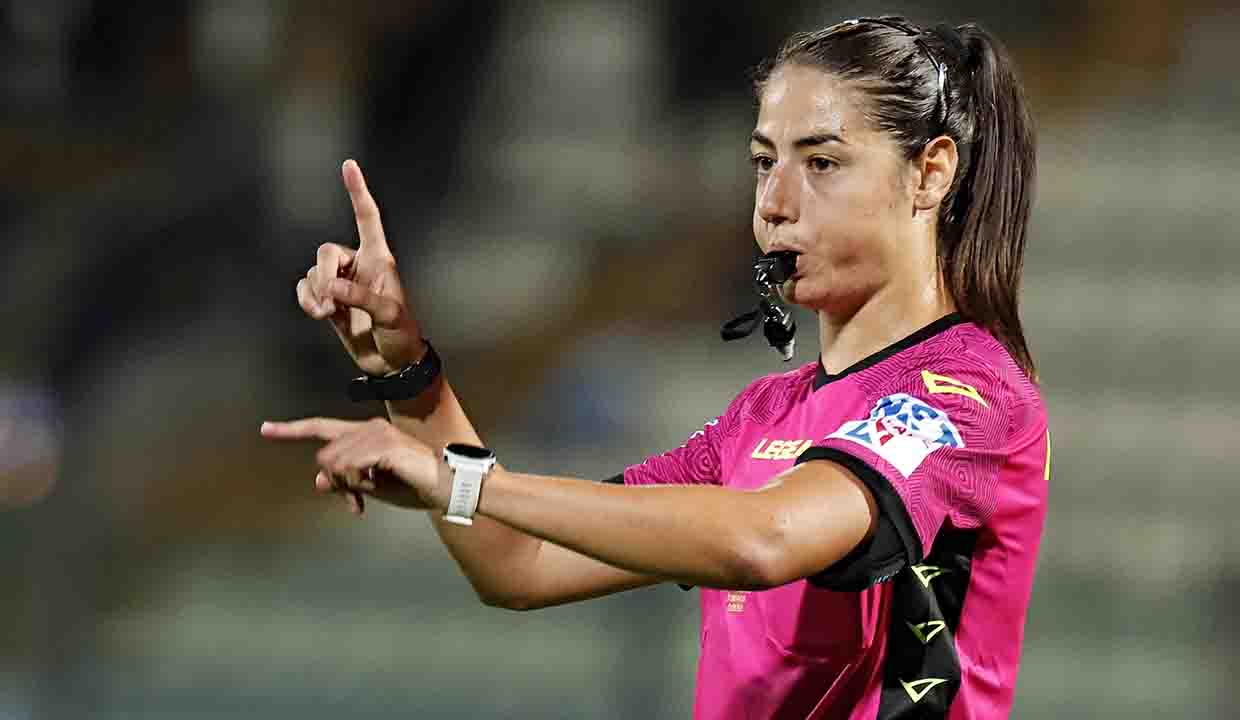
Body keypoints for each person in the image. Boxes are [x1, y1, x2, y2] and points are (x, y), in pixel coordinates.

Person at [262, 15, 1048, 719]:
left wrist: (463, 482)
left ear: (930, 173)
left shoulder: (968, 390)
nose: (774, 202)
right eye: (763, 161)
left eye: (822, 163)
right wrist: (408, 372)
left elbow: (765, 539)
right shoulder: (762, 416)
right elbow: (518, 564)